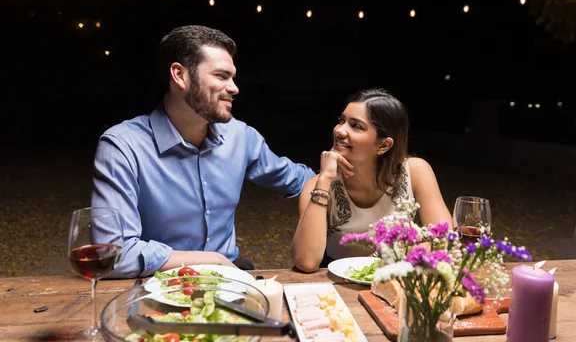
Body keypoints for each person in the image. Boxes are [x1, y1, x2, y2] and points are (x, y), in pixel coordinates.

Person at [91, 25, 316, 278]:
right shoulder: (123, 146)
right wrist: (213, 261)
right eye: (221, 76)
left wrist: (353, 175)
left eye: (232, 77)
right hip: (155, 286)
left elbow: (304, 181)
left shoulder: (240, 136)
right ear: (179, 76)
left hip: (228, 282)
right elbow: (111, 255)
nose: (234, 88)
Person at [290, 87, 452, 273]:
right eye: (341, 121)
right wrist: (325, 179)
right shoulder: (317, 186)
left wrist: (377, 262)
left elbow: (445, 242)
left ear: (383, 145)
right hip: (339, 286)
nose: (340, 130)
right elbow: (306, 262)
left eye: (356, 126)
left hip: (396, 278)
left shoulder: (415, 172)